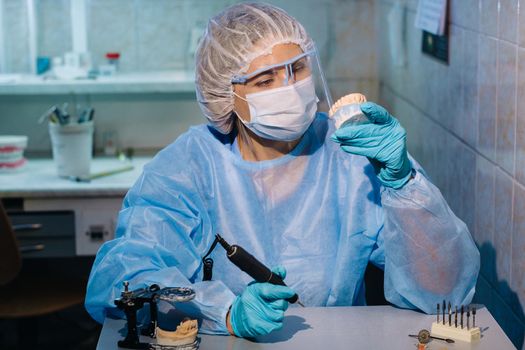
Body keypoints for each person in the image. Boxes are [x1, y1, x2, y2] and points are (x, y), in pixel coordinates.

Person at [85, 2, 479, 338]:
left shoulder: (353, 155)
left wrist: (402, 184)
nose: (290, 87)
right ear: (225, 96)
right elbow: (121, 280)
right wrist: (223, 312)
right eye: (265, 79)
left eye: (298, 68)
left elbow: (443, 294)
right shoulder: (188, 168)